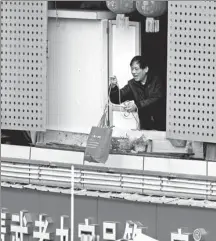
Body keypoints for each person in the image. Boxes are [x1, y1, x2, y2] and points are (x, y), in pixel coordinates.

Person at [109, 56, 166, 131]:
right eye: (132, 69)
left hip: (163, 125)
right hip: (145, 126)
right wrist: (113, 87)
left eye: (136, 69)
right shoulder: (132, 84)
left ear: (145, 69)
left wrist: (137, 105)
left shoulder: (156, 80)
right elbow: (117, 99)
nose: (133, 72)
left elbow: (157, 98)